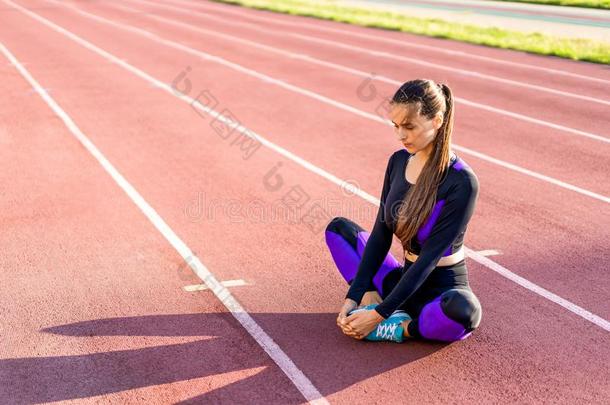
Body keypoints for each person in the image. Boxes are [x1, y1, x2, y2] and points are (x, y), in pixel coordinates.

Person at [325, 79, 482, 343]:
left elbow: (429, 260)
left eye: (409, 126)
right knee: (339, 230)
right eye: (396, 126)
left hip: (440, 289)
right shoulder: (397, 162)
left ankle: (402, 328)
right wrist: (355, 295)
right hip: (402, 279)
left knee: (464, 312)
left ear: (437, 120)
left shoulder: (462, 182)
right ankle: (374, 299)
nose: (401, 135)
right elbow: (380, 234)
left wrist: (379, 316)